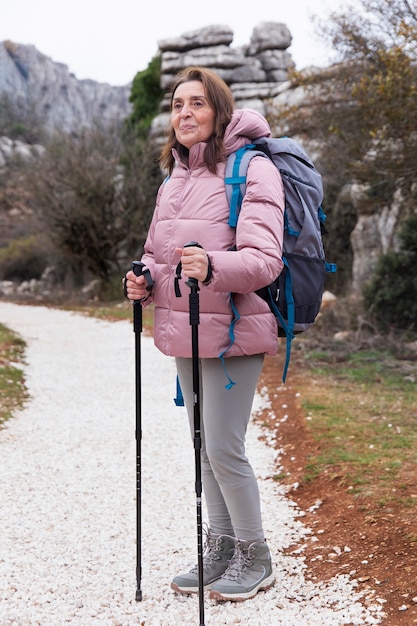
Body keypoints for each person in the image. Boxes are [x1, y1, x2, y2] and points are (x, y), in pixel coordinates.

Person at [125, 66, 285, 602]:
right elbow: (157, 252)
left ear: (218, 110)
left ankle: (254, 555)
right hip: (184, 326)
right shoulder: (173, 177)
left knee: (223, 446)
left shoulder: (252, 169)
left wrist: (211, 266)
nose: (185, 114)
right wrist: (145, 279)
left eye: (197, 103)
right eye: (176, 105)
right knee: (202, 446)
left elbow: (264, 261)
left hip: (237, 328)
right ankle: (220, 547)